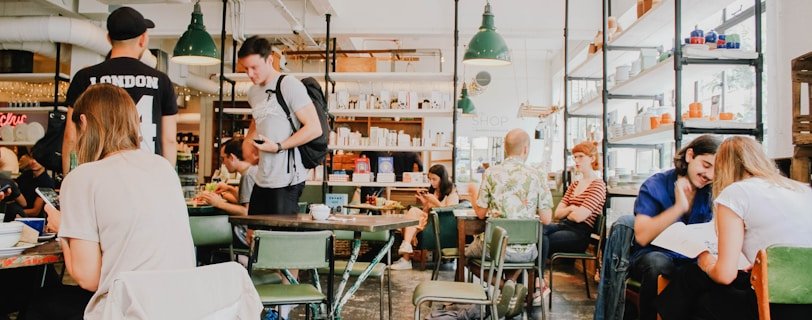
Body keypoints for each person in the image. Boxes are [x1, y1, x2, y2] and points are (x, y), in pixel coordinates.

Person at [25, 84, 195, 320]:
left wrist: (63, 228)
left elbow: (88, 278)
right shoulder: (163, 167)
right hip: (179, 307)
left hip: (129, 311)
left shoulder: (82, 178)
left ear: (83, 122)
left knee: (38, 303)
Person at [657, 136, 812, 320]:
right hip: (805, 303)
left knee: (694, 282)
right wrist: (765, 265)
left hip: (771, 306)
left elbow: (725, 276)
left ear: (723, 167)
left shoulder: (736, 193)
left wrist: (705, 260)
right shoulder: (802, 190)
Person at [62, 6, 178, 174]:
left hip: (99, 174)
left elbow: (71, 136)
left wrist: (69, 179)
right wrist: (167, 179)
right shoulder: (161, 81)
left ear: (108, 39)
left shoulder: (85, 77)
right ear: (143, 39)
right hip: (147, 174)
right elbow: (169, 140)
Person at [629, 134, 721, 320]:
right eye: (706, 165)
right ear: (690, 155)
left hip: (694, 258)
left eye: (716, 171)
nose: (709, 175)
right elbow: (642, 236)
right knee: (657, 264)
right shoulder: (656, 185)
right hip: (653, 255)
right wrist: (679, 207)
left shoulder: (712, 191)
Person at [237, 36, 322, 215]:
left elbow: (314, 128)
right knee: (253, 229)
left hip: (287, 179)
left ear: (269, 60)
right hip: (262, 178)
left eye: (254, 67)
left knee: (279, 232)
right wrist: (248, 140)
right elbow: (258, 118)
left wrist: (278, 146)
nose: (250, 74)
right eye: (246, 68)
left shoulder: (288, 85)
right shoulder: (253, 92)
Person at [466, 129, 553, 263]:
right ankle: (511, 277)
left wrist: (472, 193)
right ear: (526, 149)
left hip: (495, 249)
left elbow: (481, 214)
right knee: (514, 261)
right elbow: (546, 219)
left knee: (466, 254)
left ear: (505, 149)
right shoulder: (538, 175)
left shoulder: (491, 173)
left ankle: (496, 278)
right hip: (527, 252)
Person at [542, 141, 606, 296]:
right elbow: (558, 213)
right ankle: (536, 282)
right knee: (536, 230)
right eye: (575, 157)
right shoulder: (575, 184)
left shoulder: (598, 185)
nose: (576, 160)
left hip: (579, 234)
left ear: (592, 158)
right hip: (563, 225)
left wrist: (570, 210)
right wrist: (571, 208)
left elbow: (579, 217)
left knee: (542, 240)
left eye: (581, 156)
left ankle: (537, 282)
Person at [390, 164, 459, 270]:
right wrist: (424, 202)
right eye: (430, 179)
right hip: (430, 220)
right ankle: (406, 251)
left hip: (441, 224)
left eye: (434, 179)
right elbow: (427, 210)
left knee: (412, 216)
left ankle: (406, 257)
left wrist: (434, 201)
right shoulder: (434, 190)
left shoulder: (451, 191)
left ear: (443, 178)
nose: (431, 182)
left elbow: (449, 212)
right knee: (411, 215)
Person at [198, 138, 257, 249]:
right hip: (253, 232)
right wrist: (229, 188)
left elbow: (247, 212)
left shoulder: (247, 176)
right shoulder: (252, 171)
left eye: (223, 158)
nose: (223, 163)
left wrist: (219, 203)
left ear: (232, 157)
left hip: (245, 234)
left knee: (204, 233)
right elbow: (251, 201)